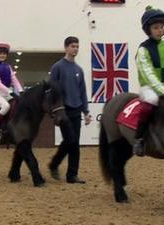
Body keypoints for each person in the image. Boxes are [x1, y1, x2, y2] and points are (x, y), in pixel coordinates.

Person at [133, 6, 164, 156]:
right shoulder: (143, 50)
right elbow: (148, 74)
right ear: (148, 29)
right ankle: (139, 139)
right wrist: (163, 90)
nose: (159, 30)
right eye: (156, 27)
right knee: (152, 100)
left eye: (162, 27)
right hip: (148, 87)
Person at [48, 36, 92, 184]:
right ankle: (54, 164)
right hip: (62, 109)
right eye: (73, 46)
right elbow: (52, 89)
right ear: (66, 47)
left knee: (74, 143)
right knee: (71, 140)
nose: (75, 49)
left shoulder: (79, 69)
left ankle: (72, 175)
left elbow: (82, 91)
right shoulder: (57, 67)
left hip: (76, 109)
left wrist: (85, 111)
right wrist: (53, 110)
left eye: (77, 46)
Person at [0, 42, 23, 142]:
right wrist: (11, 92)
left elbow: (14, 79)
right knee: (6, 106)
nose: (2, 55)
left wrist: (21, 91)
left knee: (18, 104)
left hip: (7, 94)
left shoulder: (8, 67)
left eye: (4, 53)